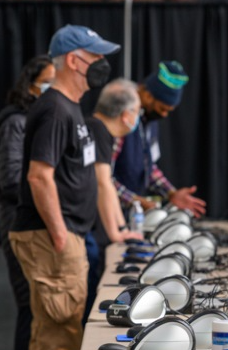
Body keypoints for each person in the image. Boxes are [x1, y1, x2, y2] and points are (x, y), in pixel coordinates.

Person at [8, 24, 120, 350]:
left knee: (61, 330)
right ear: (73, 60)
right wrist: (60, 235)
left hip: (66, 236)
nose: (102, 62)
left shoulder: (69, 106)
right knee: (58, 337)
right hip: (53, 238)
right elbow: (38, 176)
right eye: (95, 56)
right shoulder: (56, 109)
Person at [0, 55, 54, 350]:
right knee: (29, 307)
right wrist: (51, 193)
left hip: (36, 227)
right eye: (47, 82)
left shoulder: (38, 122)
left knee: (39, 310)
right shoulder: (16, 123)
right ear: (30, 87)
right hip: (21, 229)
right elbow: (12, 181)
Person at [83, 79, 145, 322]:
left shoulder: (97, 130)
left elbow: (106, 182)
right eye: (138, 111)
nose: (138, 117)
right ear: (126, 113)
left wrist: (123, 229)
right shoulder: (97, 130)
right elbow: (103, 183)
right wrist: (117, 232)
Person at [112, 61, 206, 217]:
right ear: (147, 95)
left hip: (130, 216)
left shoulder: (150, 121)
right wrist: (136, 201)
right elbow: (101, 176)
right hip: (108, 214)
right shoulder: (123, 119)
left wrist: (171, 193)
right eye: (162, 109)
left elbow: (149, 166)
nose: (164, 115)